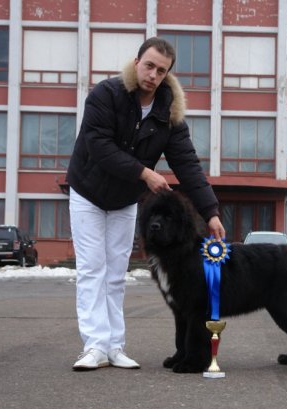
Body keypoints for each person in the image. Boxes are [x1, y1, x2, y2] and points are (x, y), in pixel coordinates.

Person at [66, 37, 225, 371]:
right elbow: (98, 144)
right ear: (136, 61)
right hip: (88, 192)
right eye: (149, 65)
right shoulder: (105, 95)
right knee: (93, 269)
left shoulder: (169, 113)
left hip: (124, 200)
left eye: (161, 70)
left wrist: (210, 213)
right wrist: (145, 173)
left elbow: (187, 164)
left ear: (167, 75)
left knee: (115, 273)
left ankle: (115, 346)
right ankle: (94, 346)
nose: (153, 74)